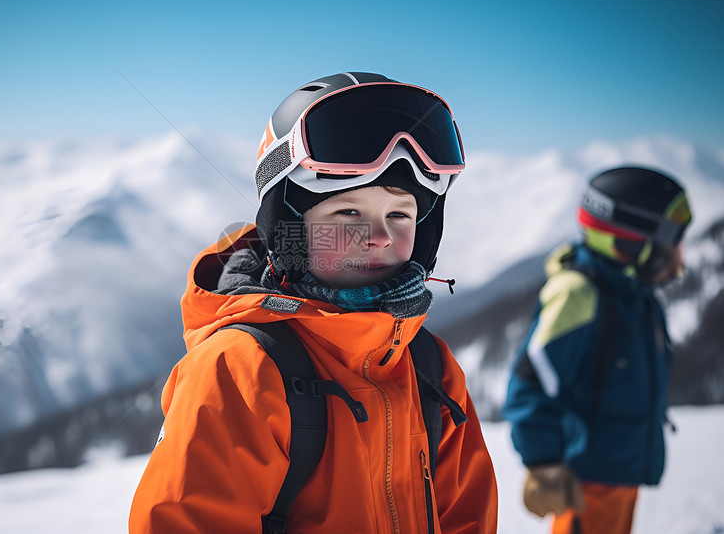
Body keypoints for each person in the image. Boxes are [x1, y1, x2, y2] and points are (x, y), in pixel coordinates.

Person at [129, 72, 498, 533]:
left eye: (400, 214)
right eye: (348, 212)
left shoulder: (428, 364)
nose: (380, 237)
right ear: (291, 229)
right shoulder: (241, 371)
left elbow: (466, 516)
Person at [503, 166, 693, 534]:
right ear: (630, 243)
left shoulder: (637, 297)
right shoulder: (579, 294)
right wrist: (543, 463)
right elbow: (530, 384)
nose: (679, 260)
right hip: (586, 480)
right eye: (671, 246)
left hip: (621, 472)